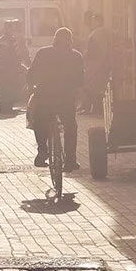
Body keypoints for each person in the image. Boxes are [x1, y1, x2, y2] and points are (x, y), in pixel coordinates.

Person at [27, 27, 85, 172]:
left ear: (54, 41)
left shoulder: (43, 53)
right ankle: (70, 160)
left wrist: (31, 87)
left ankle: (42, 151)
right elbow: (80, 80)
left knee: (39, 123)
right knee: (70, 127)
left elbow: (31, 73)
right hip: (66, 100)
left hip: (44, 98)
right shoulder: (76, 57)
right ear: (70, 42)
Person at [0, 17, 26, 114]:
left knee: (8, 88)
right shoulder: (6, 40)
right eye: (10, 28)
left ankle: (7, 106)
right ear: (7, 29)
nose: (12, 30)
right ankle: (5, 106)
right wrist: (16, 63)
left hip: (8, 69)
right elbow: (7, 55)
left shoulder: (9, 39)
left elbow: (16, 53)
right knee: (8, 88)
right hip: (8, 69)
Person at [82, 12, 110, 114]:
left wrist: (85, 57)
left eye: (93, 20)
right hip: (102, 62)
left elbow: (91, 50)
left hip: (95, 64)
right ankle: (95, 108)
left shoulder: (95, 34)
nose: (91, 22)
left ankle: (92, 108)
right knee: (98, 87)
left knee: (91, 86)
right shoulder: (103, 32)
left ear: (97, 21)